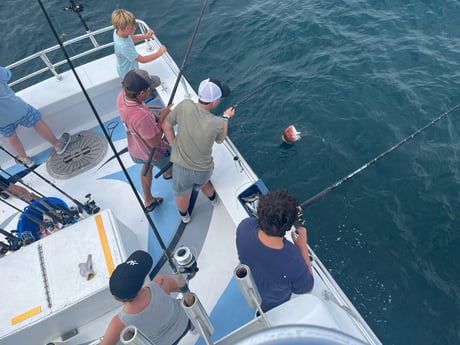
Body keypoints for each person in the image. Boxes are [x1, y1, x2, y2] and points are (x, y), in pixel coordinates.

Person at [162, 78, 235, 223]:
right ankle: (214, 201)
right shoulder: (218, 122)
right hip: (203, 170)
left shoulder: (184, 105)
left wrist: (175, 146)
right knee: (203, 183)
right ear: (214, 102)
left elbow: (166, 126)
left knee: (182, 195)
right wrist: (226, 118)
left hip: (181, 169)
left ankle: (185, 217)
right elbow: (220, 140)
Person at [236, 189, 314, 313]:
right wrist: (302, 247)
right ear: (288, 227)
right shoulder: (294, 261)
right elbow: (307, 289)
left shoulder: (244, 226)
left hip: (249, 286)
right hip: (273, 305)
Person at [101, 250, 191, 345]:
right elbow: (183, 288)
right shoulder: (161, 282)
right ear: (142, 284)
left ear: (116, 297)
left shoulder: (119, 322)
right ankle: (193, 327)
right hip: (186, 323)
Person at [118, 69, 172, 212]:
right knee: (173, 162)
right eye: (149, 90)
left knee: (146, 167)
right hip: (154, 152)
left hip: (136, 149)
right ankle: (168, 172)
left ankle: (148, 200)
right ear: (141, 93)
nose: (150, 92)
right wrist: (162, 117)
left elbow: (138, 109)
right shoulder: (141, 117)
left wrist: (149, 112)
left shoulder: (122, 96)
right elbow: (154, 142)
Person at [0, 66, 70, 168]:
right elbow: (7, 74)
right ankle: (58, 144)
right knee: (37, 122)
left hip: (2, 120)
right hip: (18, 108)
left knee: (10, 136)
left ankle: (25, 159)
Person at [111, 9, 167, 78]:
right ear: (122, 29)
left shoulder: (117, 32)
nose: (134, 29)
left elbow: (130, 38)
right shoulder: (124, 46)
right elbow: (142, 60)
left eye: (134, 26)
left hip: (123, 69)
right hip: (129, 74)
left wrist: (146, 36)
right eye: (131, 28)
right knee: (136, 87)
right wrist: (159, 53)